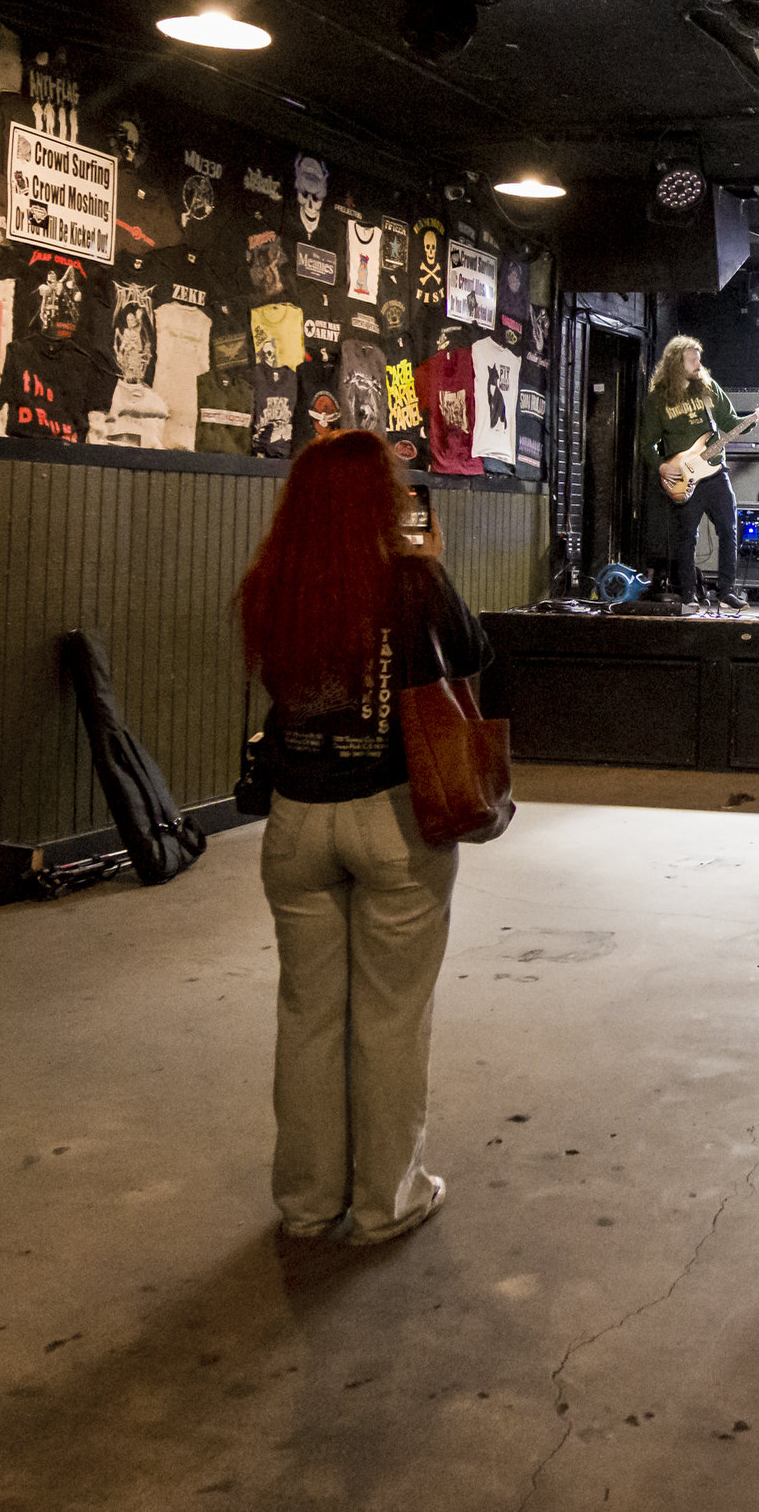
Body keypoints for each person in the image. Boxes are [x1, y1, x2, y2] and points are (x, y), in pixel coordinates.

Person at [236, 428, 490, 1245]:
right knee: (390, 1019)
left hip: (295, 819)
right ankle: (387, 1201)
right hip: (392, 818)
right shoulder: (409, 581)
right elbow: (472, 654)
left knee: (308, 1017)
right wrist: (429, 563)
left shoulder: (272, 584)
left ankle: (308, 1203)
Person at [641, 333, 742, 605]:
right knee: (687, 537)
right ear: (676, 364)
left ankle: (726, 591)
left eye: (699, 360)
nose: (699, 365)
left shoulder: (708, 388)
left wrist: (756, 417)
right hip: (684, 476)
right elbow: (646, 444)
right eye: (692, 361)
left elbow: (730, 422)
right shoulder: (658, 400)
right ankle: (688, 594)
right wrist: (661, 466)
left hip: (715, 472)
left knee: (729, 530)